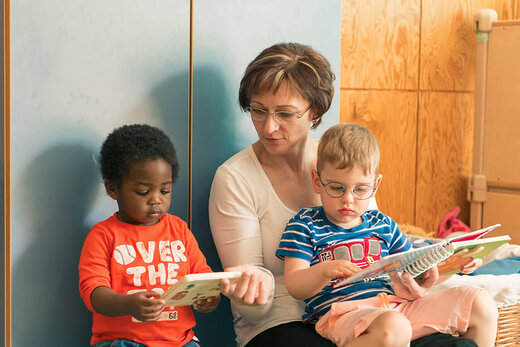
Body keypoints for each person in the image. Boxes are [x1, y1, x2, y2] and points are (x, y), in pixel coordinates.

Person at [209, 42, 480, 347]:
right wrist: (250, 290)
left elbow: (377, 254)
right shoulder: (235, 178)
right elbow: (255, 313)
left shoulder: (345, 161)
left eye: (285, 113)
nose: (269, 126)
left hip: (367, 310)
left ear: (315, 112)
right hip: (280, 322)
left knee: (459, 345)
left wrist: (418, 281)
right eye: (258, 111)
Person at [275, 123, 498, 347]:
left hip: (398, 306)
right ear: (317, 181)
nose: (348, 199)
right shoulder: (305, 224)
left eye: (360, 189)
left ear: (375, 184)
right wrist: (323, 271)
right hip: (342, 314)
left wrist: (456, 263)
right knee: (395, 326)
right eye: (336, 187)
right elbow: (295, 285)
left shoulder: (384, 224)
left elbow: (417, 274)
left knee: (481, 304)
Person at [79, 124, 219, 347]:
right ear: (113, 189)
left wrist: (208, 296)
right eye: (143, 191)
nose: (156, 199)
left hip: (181, 341)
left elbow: (201, 273)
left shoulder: (179, 230)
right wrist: (128, 304)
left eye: (165, 190)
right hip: (124, 342)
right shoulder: (103, 235)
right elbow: (93, 292)